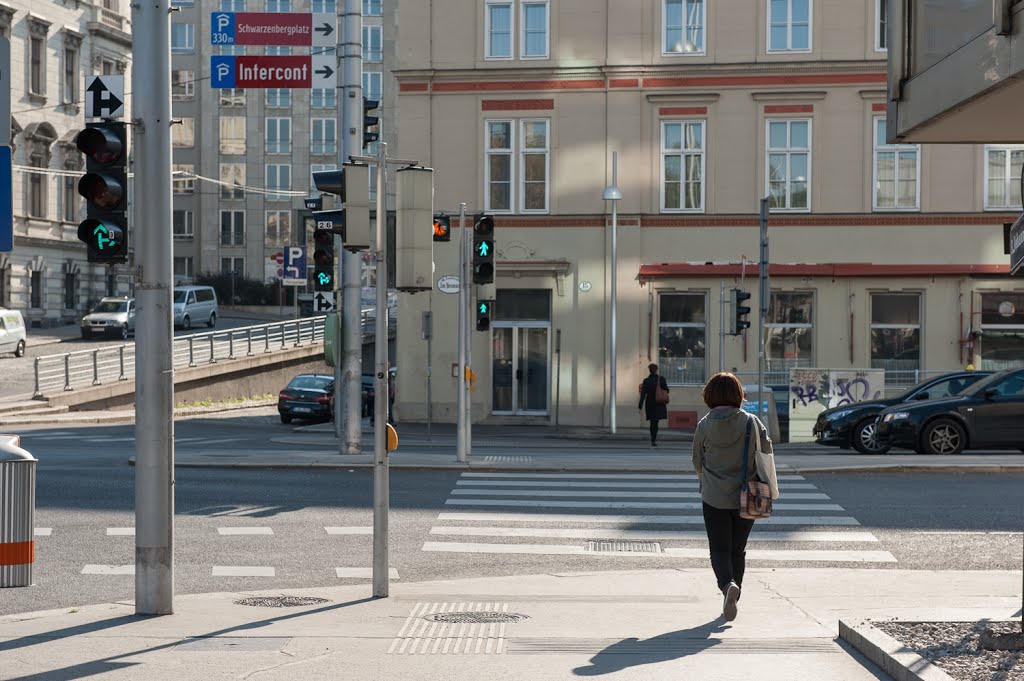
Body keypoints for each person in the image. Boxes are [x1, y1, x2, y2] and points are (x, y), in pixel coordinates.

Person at [691, 371, 776, 622]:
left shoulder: (705, 424)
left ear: (710, 396)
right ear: (738, 395)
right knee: (738, 550)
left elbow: (697, 459)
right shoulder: (752, 422)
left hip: (714, 496)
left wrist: (708, 479)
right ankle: (733, 595)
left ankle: (727, 586)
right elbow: (767, 452)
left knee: (718, 549)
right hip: (748, 494)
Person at [637, 363, 669, 446]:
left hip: (650, 403)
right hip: (659, 403)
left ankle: (652, 439)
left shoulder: (646, 381)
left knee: (652, 422)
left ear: (649, 370)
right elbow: (667, 390)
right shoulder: (661, 379)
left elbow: (643, 394)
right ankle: (654, 439)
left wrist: (640, 405)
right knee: (656, 422)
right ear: (656, 370)